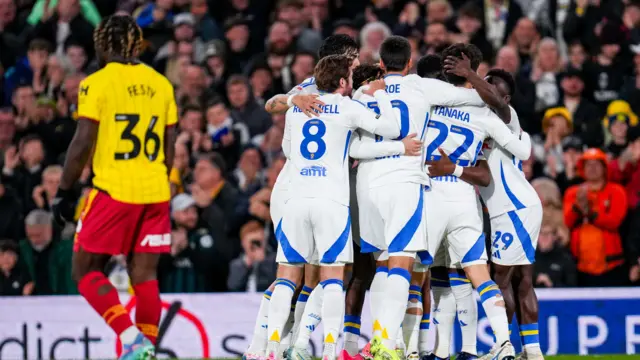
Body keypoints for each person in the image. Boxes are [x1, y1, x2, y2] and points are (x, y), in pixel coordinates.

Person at [51, 15, 178, 360]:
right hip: (155, 192)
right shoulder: (161, 84)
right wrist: (158, 182)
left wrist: (64, 191)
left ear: (103, 45)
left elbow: (82, 142)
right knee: (145, 277)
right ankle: (146, 349)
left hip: (114, 191)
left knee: (84, 270)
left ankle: (132, 341)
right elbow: (171, 145)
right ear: (136, 44)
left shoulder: (96, 83)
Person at [267, 54, 401, 360]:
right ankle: (329, 350)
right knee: (332, 278)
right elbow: (391, 128)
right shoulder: (349, 107)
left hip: (297, 200)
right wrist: (379, 92)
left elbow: (288, 149)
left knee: (287, 275)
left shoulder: (297, 106)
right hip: (332, 202)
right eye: (350, 77)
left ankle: (273, 348)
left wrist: (294, 102)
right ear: (342, 82)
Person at [244, 34, 362, 360]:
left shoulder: (343, 90)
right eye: (353, 58)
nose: (358, 62)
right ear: (340, 62)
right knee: (298, 272)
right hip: (298, 187)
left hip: (308, 187)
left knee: (308, 274)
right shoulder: (310, 88)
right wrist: (293, 99)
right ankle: (264, 346)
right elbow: (272, 104)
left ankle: (288, 345)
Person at [422, 43, 534, 360]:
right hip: (462, 200)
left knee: (421, 276)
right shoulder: (484, 112)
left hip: (429, 194)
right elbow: (524, 152)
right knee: (478, 277)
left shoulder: (426, 102)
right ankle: (503, 344)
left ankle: (420, 349)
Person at [563, 148, 629, 287]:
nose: (592, 168)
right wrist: (578, 206)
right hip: (580, 267)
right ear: (582, 168)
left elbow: (614, 222)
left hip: (611, 266)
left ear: (604, 168)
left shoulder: (616, 191)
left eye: (596, 164)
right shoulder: (572, 192)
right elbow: (568, 221)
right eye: (588, 165)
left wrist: (590, 213)